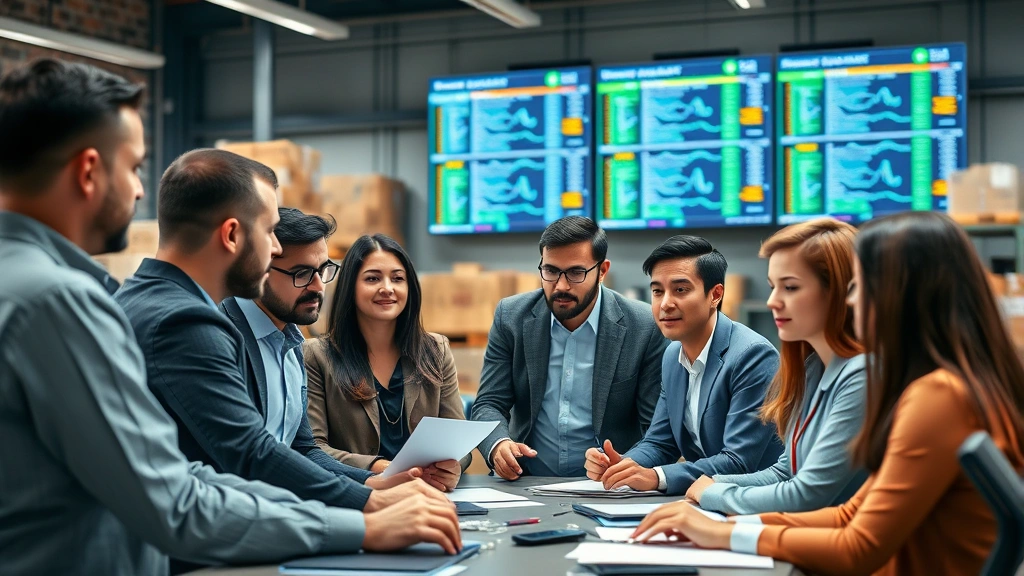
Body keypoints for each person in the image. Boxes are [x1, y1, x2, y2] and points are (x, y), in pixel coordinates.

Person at [0, 59, 459, 576]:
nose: (136, 190)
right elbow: (176, 496)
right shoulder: (58, 301)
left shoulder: (34, 287)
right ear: (88, 172)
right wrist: (364, 523)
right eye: (132, 167)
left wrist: (364, 498)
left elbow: (181, 473)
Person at [631, 212, 1024, 576]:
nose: (851, 301)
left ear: (902, 295)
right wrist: (726, 522)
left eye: (860, 287)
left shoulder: (937, 396)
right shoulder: (945, 386)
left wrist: (723, 529)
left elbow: (858, 543)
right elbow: (851, 513)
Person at [115, 150, 451, 522]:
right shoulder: (186, 322)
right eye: (268, 231)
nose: (274, 245)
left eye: (323, 270)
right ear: (232, 235)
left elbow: (299, 448)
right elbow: (250, 454)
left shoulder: (290, 340)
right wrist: (369, 510)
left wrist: (373, 485)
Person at [686, 218, 868, 514]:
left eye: (791, 287)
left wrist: (713, 494)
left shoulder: (862, 376)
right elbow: (784, 473)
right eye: (773, 287)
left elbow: (806, 495)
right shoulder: (813, 368)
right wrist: (710, 484)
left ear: (839, 291)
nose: (773, 301)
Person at [471, 216, 668, 479]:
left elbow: (657, 429)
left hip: (608, 486)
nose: (561, 286)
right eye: (551, 271)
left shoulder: (643, 326)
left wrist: (625, 465)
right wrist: (498, 446)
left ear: (602, 271)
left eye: (576, 273)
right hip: (525, 481)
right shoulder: (512, 316)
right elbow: (488, 402)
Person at [585, 236, 781, 495]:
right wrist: (623, 465)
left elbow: (739, 462)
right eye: (657, 291)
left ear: (715, 295)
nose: (665, 303)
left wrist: (656, 477)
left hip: (757, 504)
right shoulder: (672, 355)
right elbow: (660, 442)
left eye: (680, 290)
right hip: (703, 499)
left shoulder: (753, 356)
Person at [304, 233, 469, 491]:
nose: (387, 288)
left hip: (429, 494)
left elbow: (458, 439)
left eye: (397, 278)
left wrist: (452, 466)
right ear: (350, 286)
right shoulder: (317, 356)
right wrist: (383, 468)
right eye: (372, 278)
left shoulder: (436, 350)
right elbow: (314, 448)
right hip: (360, 497)